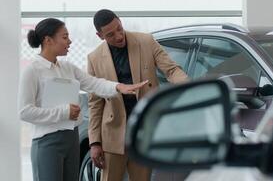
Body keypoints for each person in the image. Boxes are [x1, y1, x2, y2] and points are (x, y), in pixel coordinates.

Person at [18, 18, 148, 181]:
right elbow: (24, 111)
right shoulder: (32, 71)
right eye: (65, 37)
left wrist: (118, 87)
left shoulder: (67, 68)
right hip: (47, 142)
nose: (70, 41)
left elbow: (94, 83)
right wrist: (64, 112)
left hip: (71, 138)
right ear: (48, 40)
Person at [88, 9, 188, 181]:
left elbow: (171, 70)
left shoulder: (146, 41)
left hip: (143, 130)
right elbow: (95, 103)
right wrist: (95, 142)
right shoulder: (94, 58)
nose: (119, 36)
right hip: (113, 133)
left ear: (120, 20)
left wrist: (189, 88)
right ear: (100, 35)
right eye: (110, 34)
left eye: (119, 28)